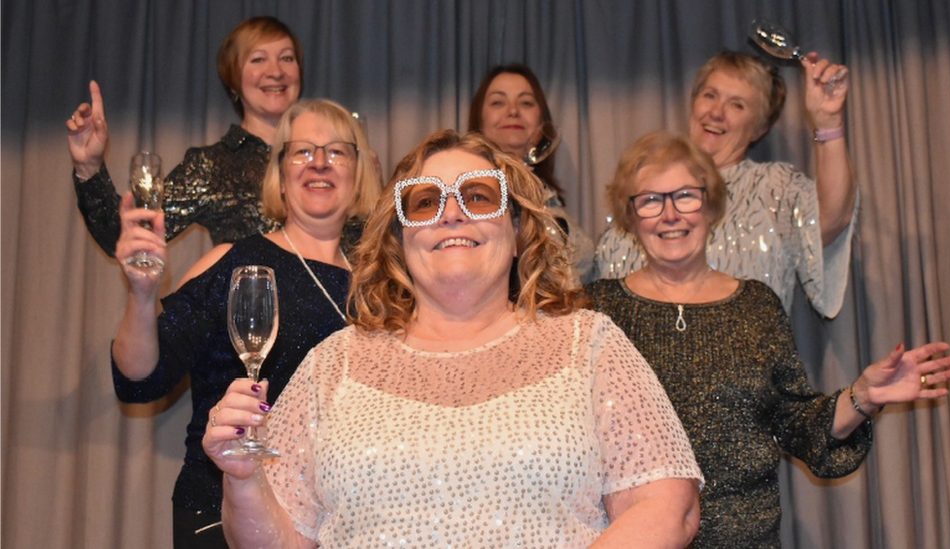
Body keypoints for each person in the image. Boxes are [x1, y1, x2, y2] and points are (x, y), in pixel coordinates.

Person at [203, 130, 704, 548]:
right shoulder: (332, 364)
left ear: (517, 227)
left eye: (478, 195)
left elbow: (665, 507)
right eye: (424, 202)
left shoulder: (589, 344)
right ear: (399, 240)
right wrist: (242, 479)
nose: (451, 213)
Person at [585, 132, 950, 548]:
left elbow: (796, 422)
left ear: (710, 206)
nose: (670, 214)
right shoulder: (597, 311)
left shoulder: (756, 305)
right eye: (651, 200)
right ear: (630, 215)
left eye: (685, 196)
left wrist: (863, 395)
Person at [111, 99, 381, 548]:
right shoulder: (235, 262)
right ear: (279, 170)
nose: (319, 162)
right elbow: (140, 381)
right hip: (222, 509)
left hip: (335, 519)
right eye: (302, 151)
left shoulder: (379, 287)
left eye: (337, 151)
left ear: (359, 172)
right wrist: (141, 295)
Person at [594, 51, 857, 317]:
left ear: (759, 129)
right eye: (710, 95)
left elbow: (831, 218)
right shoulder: (640, 188)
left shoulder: (774, 187)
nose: (717, 113)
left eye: (737, 105)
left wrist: (828, 122)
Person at [67, 16, 305, 257]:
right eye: (258, 59)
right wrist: (89, 167)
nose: (276, 72)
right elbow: (124, 235)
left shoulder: (330, 155)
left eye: (286, 58)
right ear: (233, 80)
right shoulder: (211, 166)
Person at [469, 64, 596, 281]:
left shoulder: (551, 202)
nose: (513, 111)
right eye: (498, 102)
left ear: (541, 123)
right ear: (479, 121)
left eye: (526, 102)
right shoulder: (464, 198)